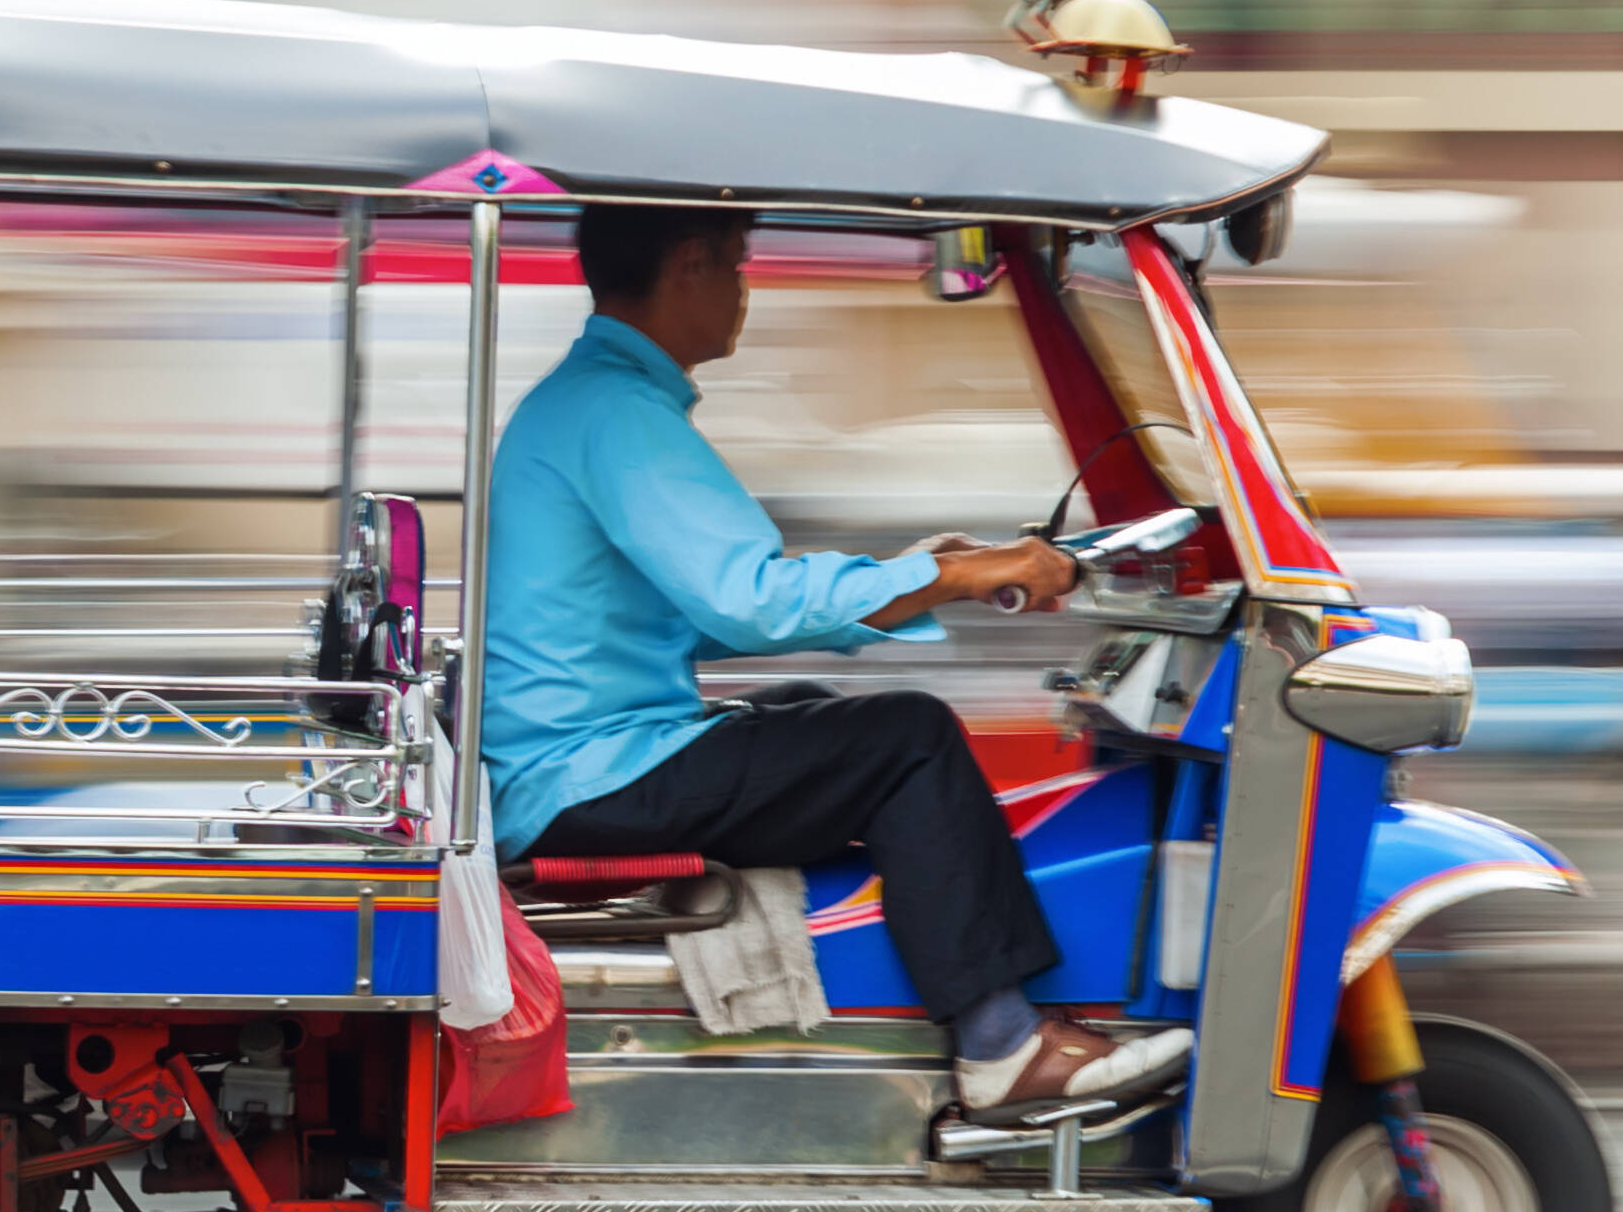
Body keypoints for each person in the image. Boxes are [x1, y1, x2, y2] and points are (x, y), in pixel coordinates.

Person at [480, 202, 1194, 1113]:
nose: (744, 293)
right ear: (690, 264)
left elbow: (660, 619)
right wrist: (950, 575)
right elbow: (750, 603)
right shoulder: (617, 414)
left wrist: (931, 576)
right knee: (908, 737)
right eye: (738, 268)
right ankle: (1000, 1043)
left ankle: (898, 978)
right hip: (581, 778)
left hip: (573, 760)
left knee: (819, 710)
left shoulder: (587, 403)